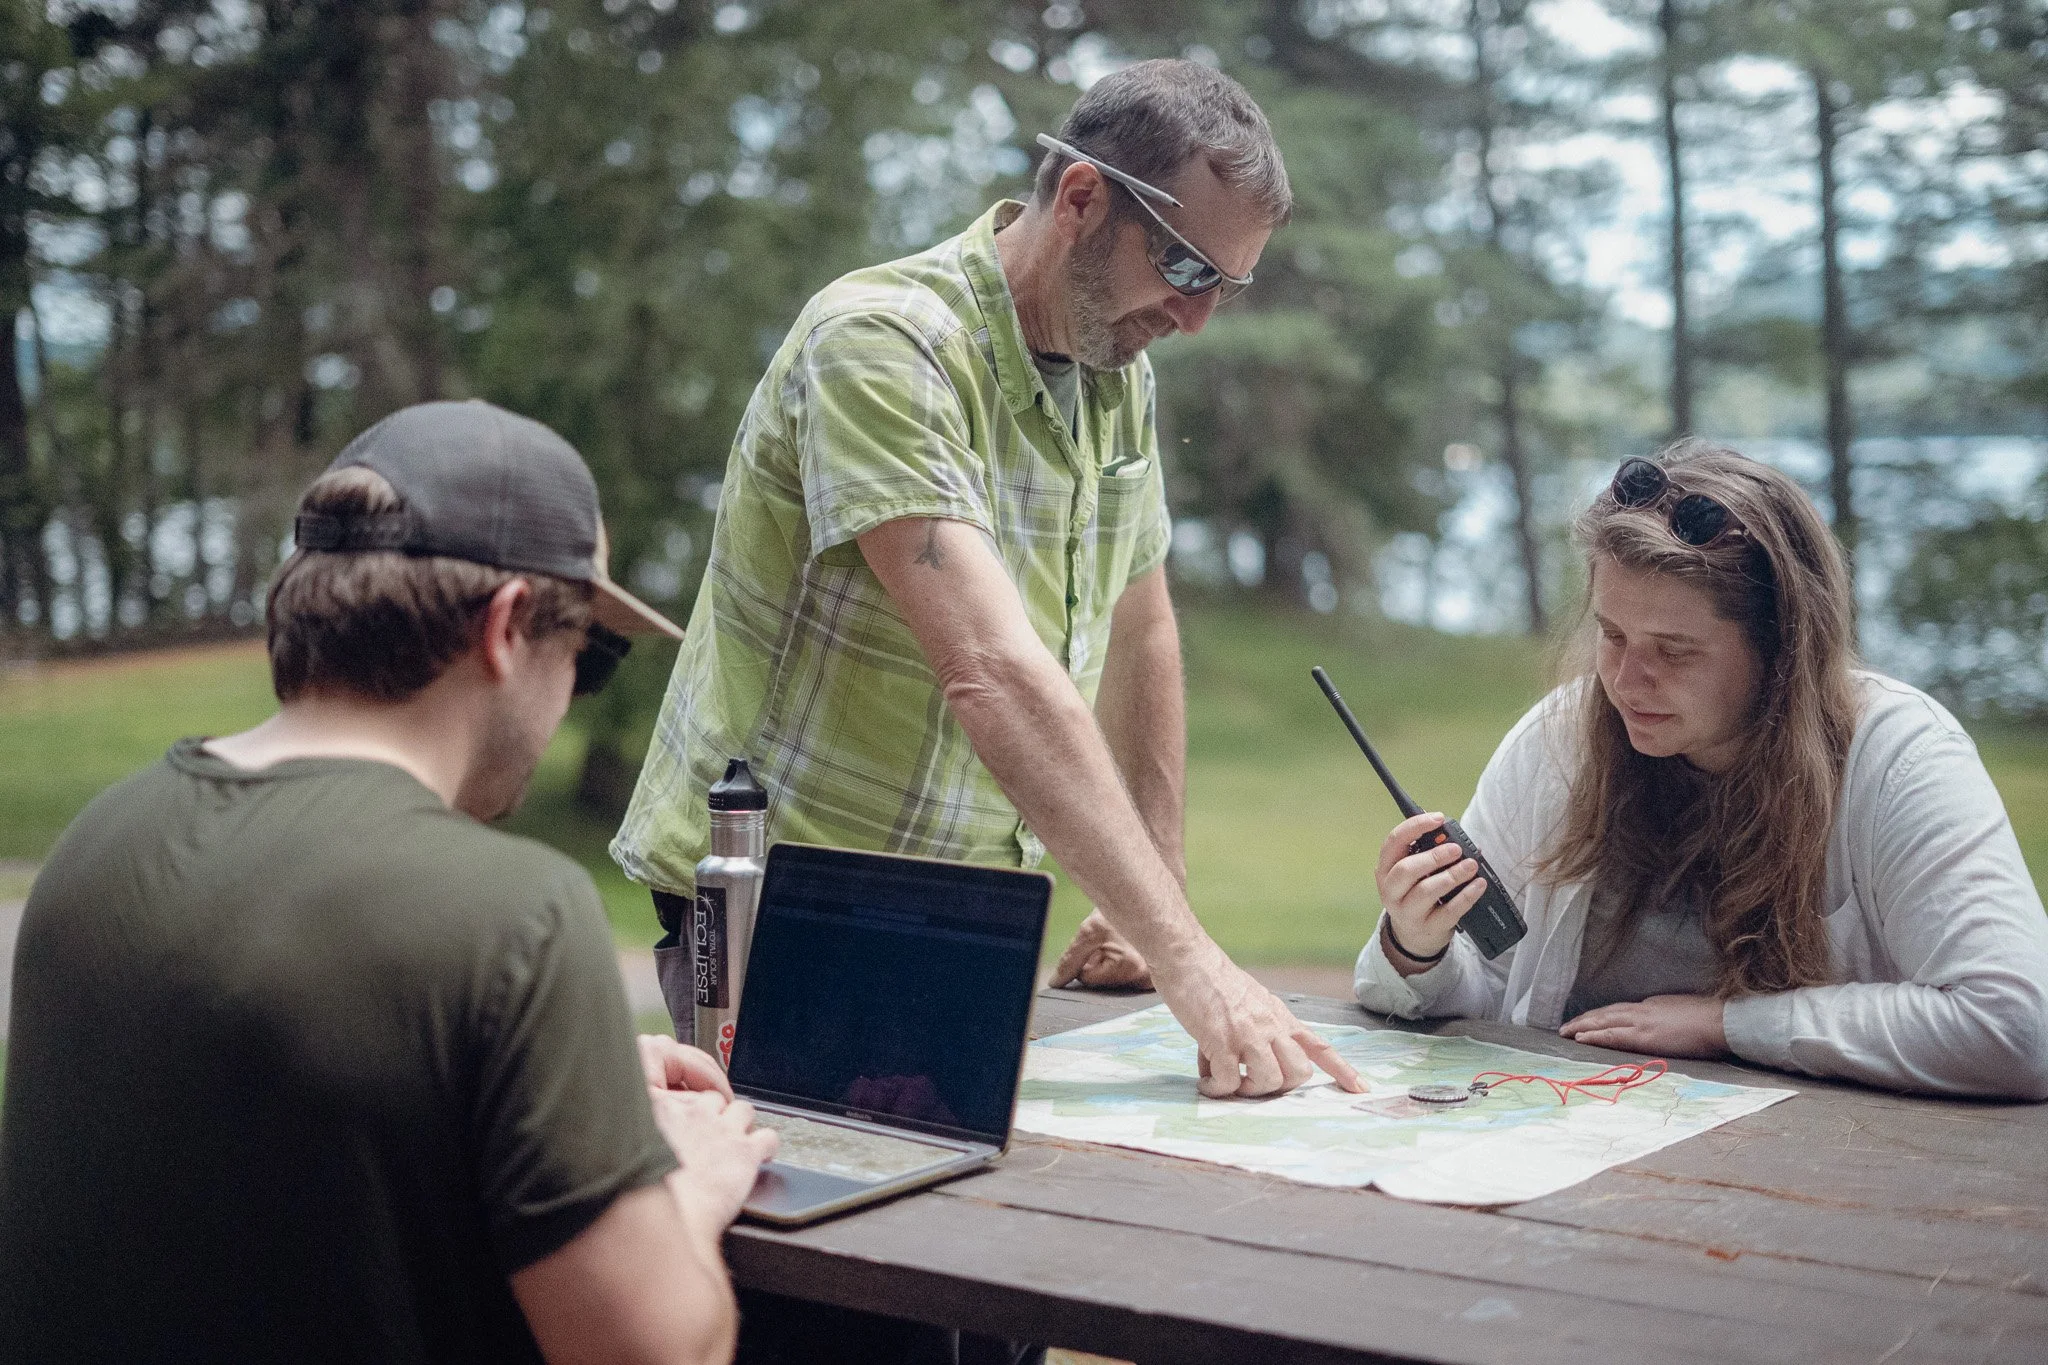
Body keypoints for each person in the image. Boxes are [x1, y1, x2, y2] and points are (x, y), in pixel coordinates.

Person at [615, 59, 1361, 1104]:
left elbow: (1139, 622)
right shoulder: (881, 342)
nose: (1198, 320)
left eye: (1228, 287)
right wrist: (1194, 963)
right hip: (781, 900)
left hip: (958, 908)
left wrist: (1156, 900)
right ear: (1081, 199)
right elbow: (988, 668)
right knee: (810, 1228)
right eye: (1188, 270)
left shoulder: (1116, 377)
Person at [0, 400, 779, 1363]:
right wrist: (682, 1181)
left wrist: (564, 1088)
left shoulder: (96, 846)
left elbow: (283, 1122)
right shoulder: (515, 915)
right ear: (504, 629)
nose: (574, 692)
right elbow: (661, 1351)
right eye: (590, 654)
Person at [1355, 440, 2048, 1100]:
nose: (1627, 679)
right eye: (1612, 633)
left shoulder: (1900, 758)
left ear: (1782, 648)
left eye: (1675, 651)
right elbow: (1492, 985)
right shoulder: (1559, 743)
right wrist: (1418, 947)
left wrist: (1725, 1026)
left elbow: (2016, 1026)